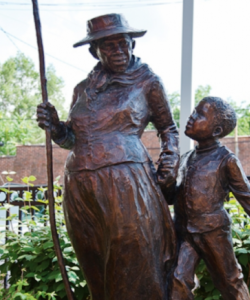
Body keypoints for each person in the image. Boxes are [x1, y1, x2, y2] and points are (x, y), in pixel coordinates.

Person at [37, 13, 179, 300]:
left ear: (132, 45)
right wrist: (55, 128)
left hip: (126, 183)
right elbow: (72, 139)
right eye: (109, 45)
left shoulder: (147, 82)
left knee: (130, 261)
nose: (119, 50)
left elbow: (168, 129)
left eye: (123, 43)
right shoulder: (82, 89)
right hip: (80, 185)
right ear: (95, 51)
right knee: (93, 261)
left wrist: (170, 161)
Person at [164, 97, 250, 300]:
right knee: (178, 279)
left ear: (217, 130)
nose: (191, 117)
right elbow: (172, 197)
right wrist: (165, 182)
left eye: (200, 114)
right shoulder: (185, 158)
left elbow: (245, 193)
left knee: (230, 280)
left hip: (213, 232)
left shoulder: (225, 159)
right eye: (193, 112)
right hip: (186, 231)